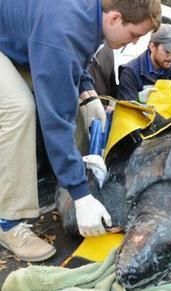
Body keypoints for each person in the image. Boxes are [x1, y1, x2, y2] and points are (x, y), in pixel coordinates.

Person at [0, 0, 161, 262]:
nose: (133, 44)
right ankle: (7, 222)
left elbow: (76, 60)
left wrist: (86, 90)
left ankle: (81, 180)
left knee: (76, 104)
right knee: (20, 109)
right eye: (134, 35)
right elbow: (56, 119)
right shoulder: (62, 29)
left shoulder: (93, 15)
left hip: (21, 42)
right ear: (114, 19)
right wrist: (80, 196)